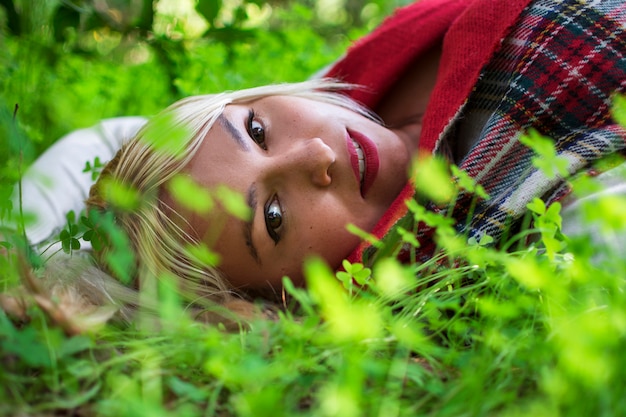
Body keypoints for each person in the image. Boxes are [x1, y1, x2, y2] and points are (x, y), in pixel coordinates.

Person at [3, 0, 626, 327]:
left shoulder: (353, 81)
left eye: (255, 129)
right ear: (288, 295)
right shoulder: (510, 220)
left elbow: (107, 138)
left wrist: (40, 255)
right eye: (272, 216)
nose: (317, 154)